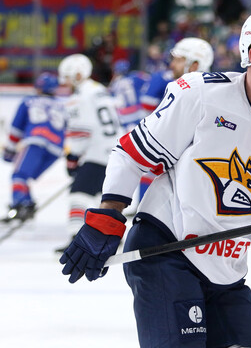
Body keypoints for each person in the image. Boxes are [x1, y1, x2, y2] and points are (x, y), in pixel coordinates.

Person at [58, 8, 251, 348]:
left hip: (227, 270)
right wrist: (108, 216)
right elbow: (132, 154)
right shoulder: (201, 94)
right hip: (165, 248)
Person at [55, 53, 122, 252]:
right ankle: (111, 235)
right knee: (103, 196)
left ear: (78, 75)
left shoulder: (78, 97)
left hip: (97, 153)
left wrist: (73, 157)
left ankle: (77, 238)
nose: (65, 83)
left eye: (68, 77)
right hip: (115, 150)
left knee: (79, 194)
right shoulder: (99, 90)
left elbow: (82, 130)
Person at [137, 37, 214, 204]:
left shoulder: (202, 94)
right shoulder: (196, 89)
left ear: (194, 65)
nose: (172, 65)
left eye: (179, 60)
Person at [1, 73, 67, 223]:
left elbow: (16, 128)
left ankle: (20, 206)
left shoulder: (28, 101)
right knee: (25, 177)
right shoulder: (63, 105)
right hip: (56, 149)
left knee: (19, 175)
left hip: (36, 142)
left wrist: (10, 150)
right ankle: (28, 204)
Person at [109, 59, 151, 131]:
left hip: (124, 114)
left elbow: (111, 95)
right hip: (138, 110)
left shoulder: (116, 82)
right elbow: (149, 80)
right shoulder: (136, 75)